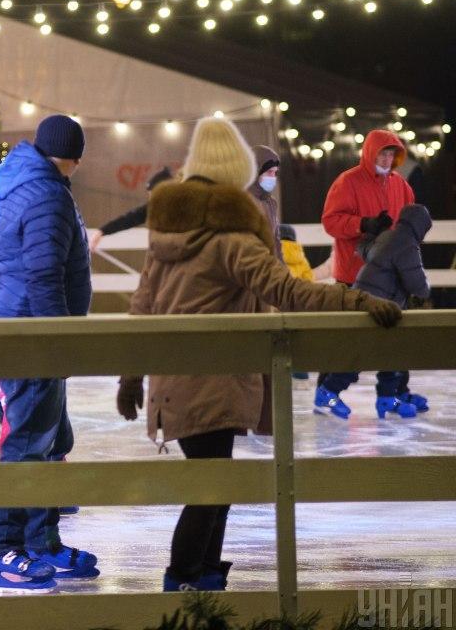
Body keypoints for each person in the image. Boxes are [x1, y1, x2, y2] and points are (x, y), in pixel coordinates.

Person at [117, 116, 402, 593]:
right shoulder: (231, 239)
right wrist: (357, 298)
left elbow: (141, 309)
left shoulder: (166, 239)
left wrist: (131, 378)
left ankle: (203, 580)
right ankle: (182, 584)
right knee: (210, 491)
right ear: (237, 171)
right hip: (212, 380)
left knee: (216, 486)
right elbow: (288, 290)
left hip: (177, 382)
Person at [0, 114, 97, 593]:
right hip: (31, 332)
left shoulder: (26, 183)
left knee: (48, 441)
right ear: (72, 156)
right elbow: (45, 274)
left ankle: (42, 542)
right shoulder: (47, 193)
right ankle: (1, 550)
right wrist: (57, 339)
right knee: (27, 443)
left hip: (24, 325)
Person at [316, 129, 414, 417]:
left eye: (392, 153)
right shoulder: (348, 182)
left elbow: (410, 222)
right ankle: (327, 391)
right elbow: (331, 221)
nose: (387, 158)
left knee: (394, 335)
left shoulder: (400, 185)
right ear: (370, 153)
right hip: (355, 274)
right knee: (353, 338)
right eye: (383, 152)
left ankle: (393, 393)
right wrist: (364, 224)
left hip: (390, 276)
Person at [326, 204, 432, 419]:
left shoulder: (386, 237)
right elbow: (417, 284)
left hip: (363, 300)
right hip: (380, 307)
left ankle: (387, 398)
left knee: (388, 352)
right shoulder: (407, 245)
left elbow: (364, 250)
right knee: (369, 353)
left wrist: (372, 232)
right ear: (419, 227)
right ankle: (328, 392)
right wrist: (425, 290)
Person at [87, 167, 174, 252]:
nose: (151, 199)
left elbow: (130, 218)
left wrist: (101, 232)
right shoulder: (153, 207)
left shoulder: (176, 209)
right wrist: (102, 231)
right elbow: (129, 219)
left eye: (153, 195)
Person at [247, 146, 282, 261]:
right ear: (256, 171)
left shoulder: (271, 202)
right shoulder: (243, 201)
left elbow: (276, 241)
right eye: (269, 172)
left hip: (268, 269)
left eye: (275, 172)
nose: (273, 177)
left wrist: (282, 270)